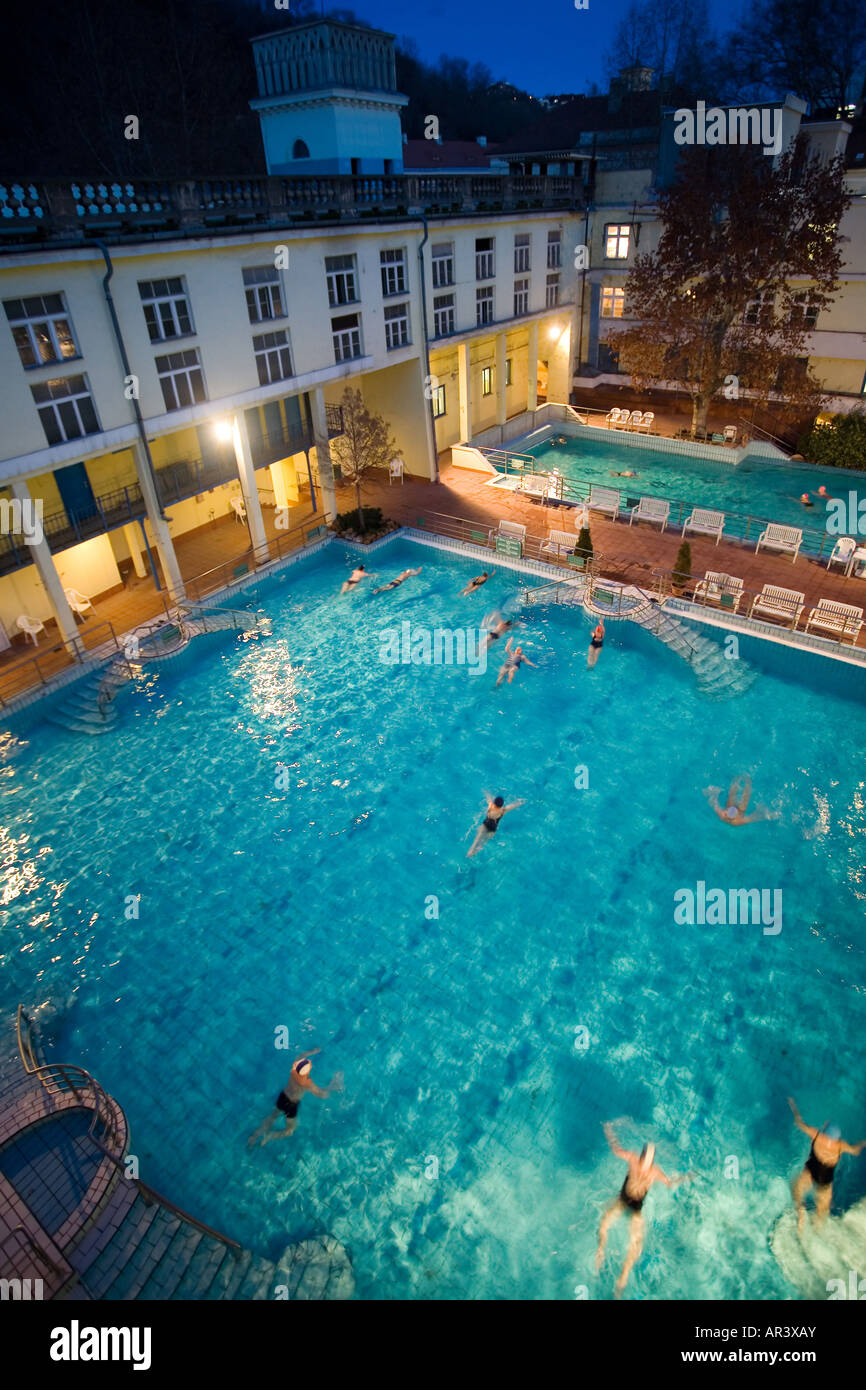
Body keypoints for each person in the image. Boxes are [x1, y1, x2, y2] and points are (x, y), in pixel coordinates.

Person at [595, 1123, 690, 1294]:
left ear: (649, 1158)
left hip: (635, 1208)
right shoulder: (636, 1160)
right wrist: (608, 1130)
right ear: (643, 1155)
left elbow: (669, 1183)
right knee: (603, 1226)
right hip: (622, 1201)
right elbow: (616, 1149)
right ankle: (601, 1251)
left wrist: (684, 1178)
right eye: (646, 1158)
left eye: (649, 1160)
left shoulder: (654, 1171)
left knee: (635, 1247)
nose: (646, 1163)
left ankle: (622, 1279)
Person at [788, 1097, 866, 1231]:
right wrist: (863, 1142)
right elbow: (855, 1151)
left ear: (825, 1129)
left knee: (796, 1190)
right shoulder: (840, 1146)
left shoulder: (817, 1135)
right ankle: (817, 1228)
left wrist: (794, 1107)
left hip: (811, 1170)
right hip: (825, 1178)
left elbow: (799, 1123)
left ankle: (801, 1214)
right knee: (823, 1210)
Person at [247, 1050, 344, 1146]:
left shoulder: (294, 1069)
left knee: (272, 1117)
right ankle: (270, 1136)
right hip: (291, 1106)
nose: (309, 1062)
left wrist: (313, 1051)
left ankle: (255, 1136)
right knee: (290, 1131)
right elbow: (322, 1095)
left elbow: (301, 1055)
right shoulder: (306, 1082)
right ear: (306, 1072)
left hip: (283, 1096)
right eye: (309, 1065)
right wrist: (332, 1085)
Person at [703, 775, 778, 826]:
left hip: (733, 812)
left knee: (731, 797)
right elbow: (753, 818)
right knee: (744, 802)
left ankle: (738, 778)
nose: (725, 811)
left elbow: (714, 804)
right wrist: (766, 814)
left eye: (726, 810)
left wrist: (713, 794)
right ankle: (748, 781)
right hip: (741, 811)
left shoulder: (722, 815)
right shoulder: (737, 821)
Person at [467, 791, 524, 857]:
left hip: (485, 825)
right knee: (482, 843)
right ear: (502, 805)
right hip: (492, 829)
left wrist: (485, 791)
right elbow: (513, 806)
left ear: (494, 802)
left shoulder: (490, 806)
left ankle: (469, 852)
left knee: (476, 840)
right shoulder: (503, 810)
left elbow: (488, 798)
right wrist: (521, 802)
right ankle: (473, 854)